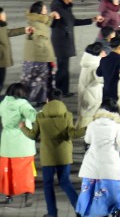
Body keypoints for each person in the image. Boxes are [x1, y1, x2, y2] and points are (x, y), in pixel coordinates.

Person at [19, 88, 84, 217]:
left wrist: (23, 127)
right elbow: (72, 133)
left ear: (47, 100)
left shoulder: (40, 116)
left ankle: (52, 213)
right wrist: (87, 129)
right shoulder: (67, 115)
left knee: (48, 185)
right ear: (61, 100)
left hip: (48, 156)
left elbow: (33, 135)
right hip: (63, 155)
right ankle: (79, 209)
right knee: (65, 182)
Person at [76, 100, 120, 217]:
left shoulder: (92, 124)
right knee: (113, 198)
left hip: (92, 167)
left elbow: (87, 140)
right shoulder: (117, 126)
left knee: (91, 198)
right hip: (111, 169)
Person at [0, 83, 36, 206]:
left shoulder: (3, 103)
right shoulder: (23, 105)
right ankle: (27, 195)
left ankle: (8, 196)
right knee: (25, 171)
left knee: (7, 171)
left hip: (6, 143)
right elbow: (33, 117)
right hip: (23, 143)